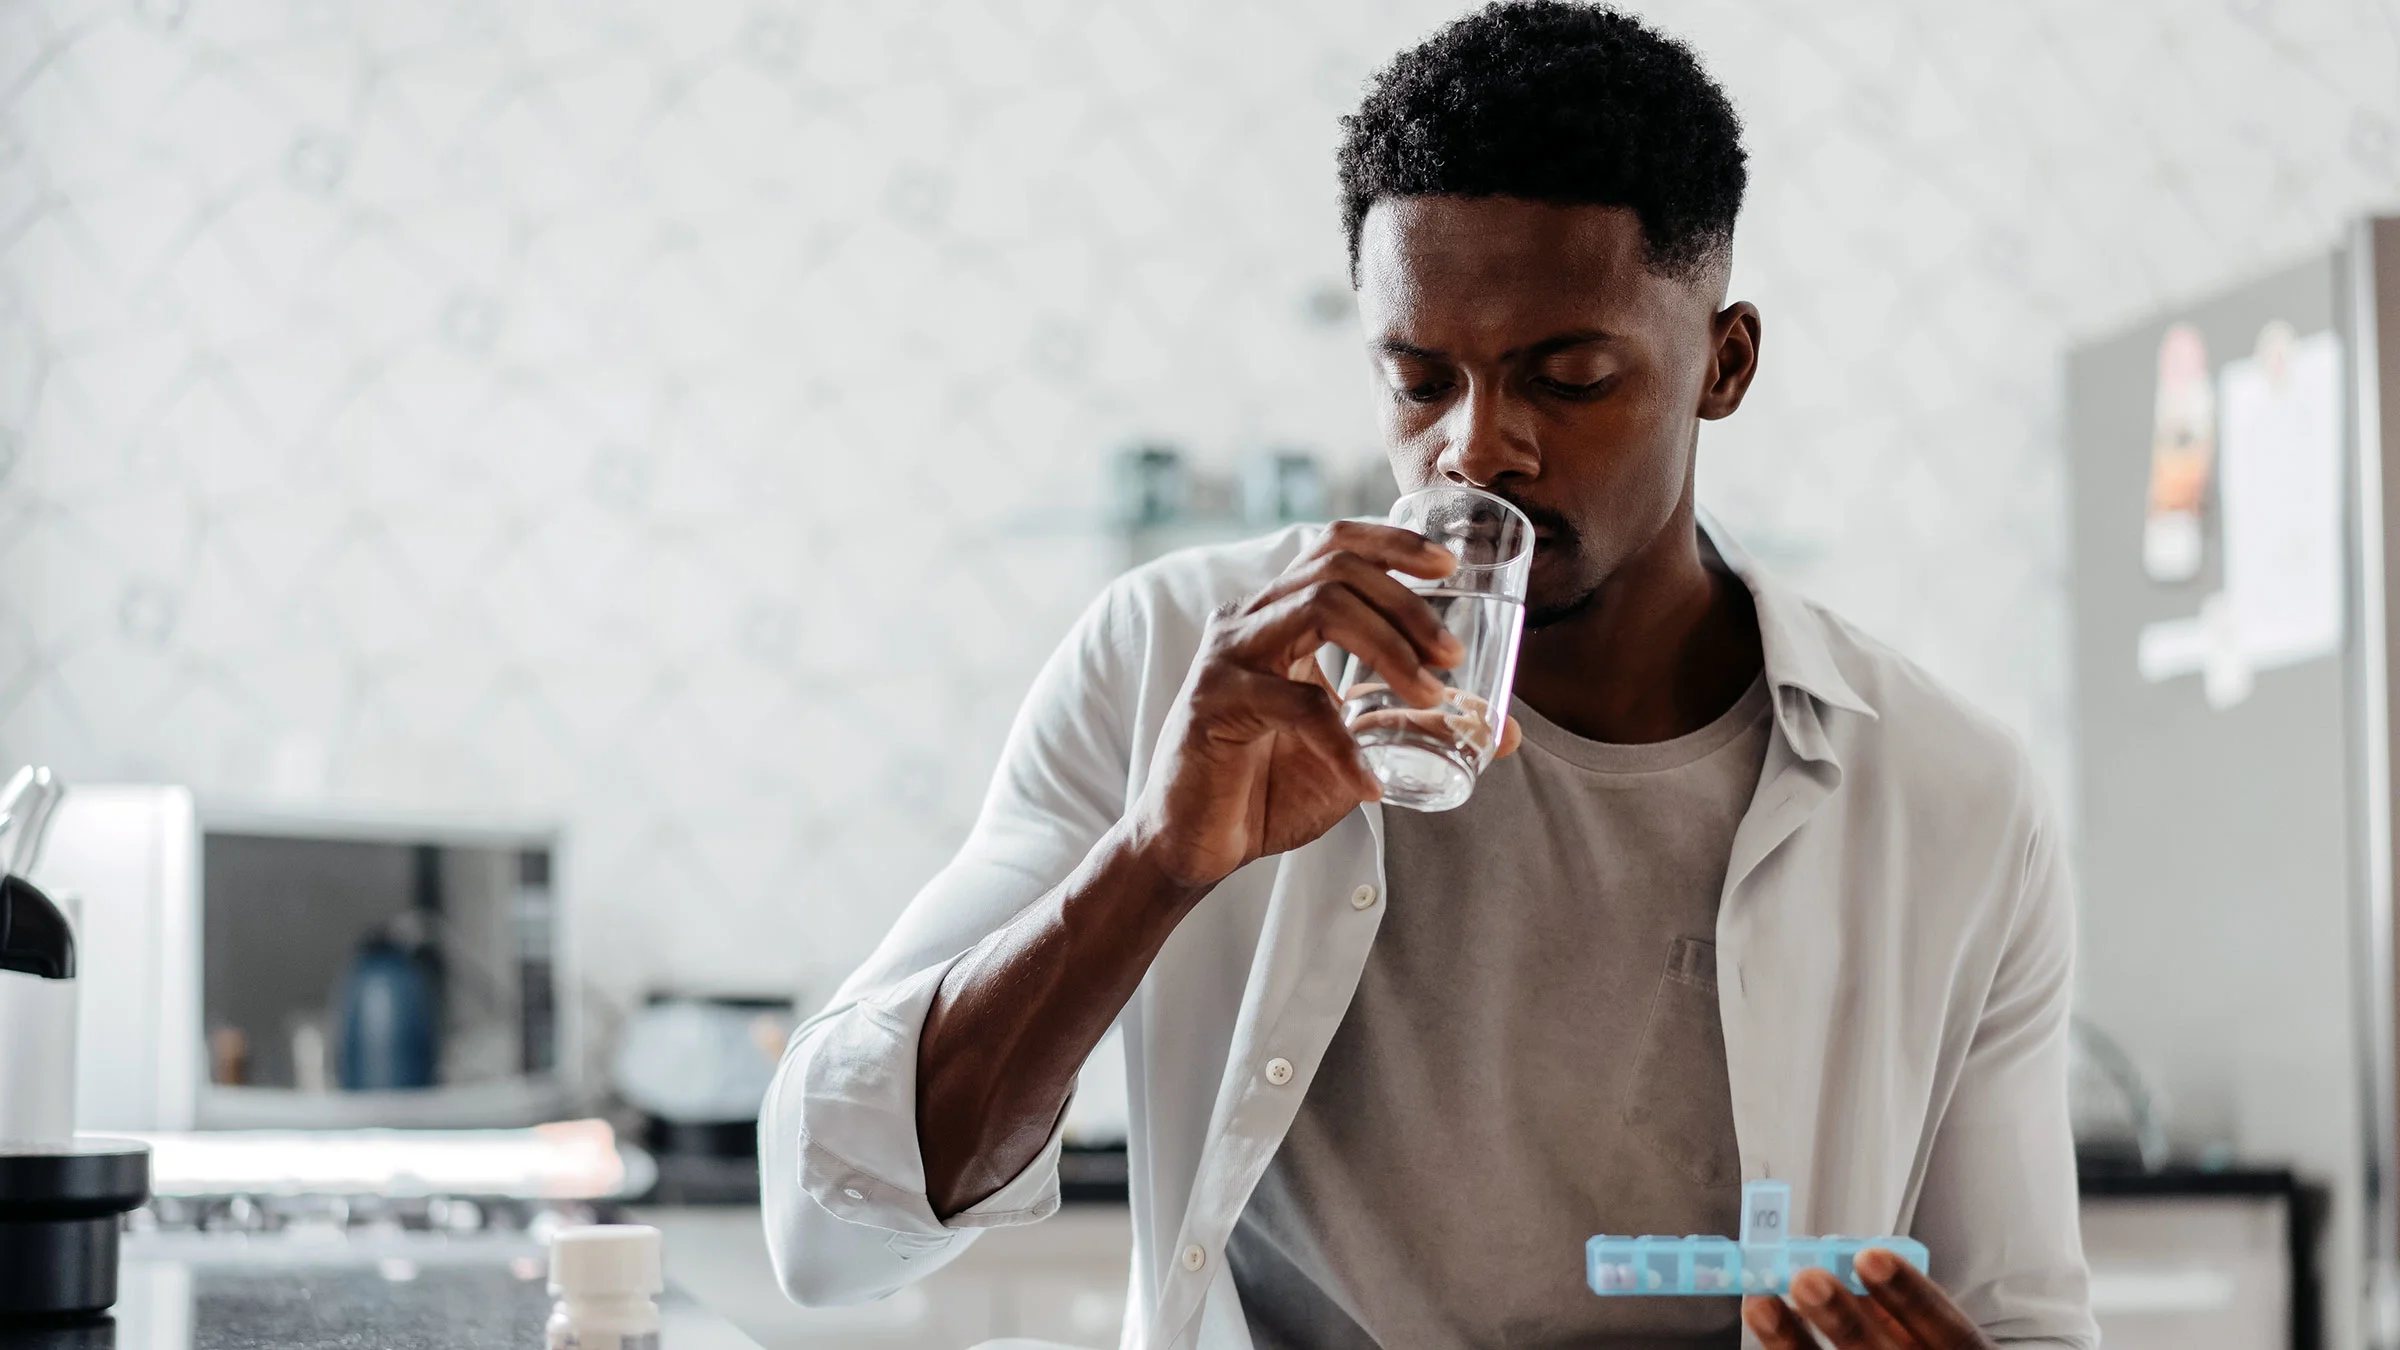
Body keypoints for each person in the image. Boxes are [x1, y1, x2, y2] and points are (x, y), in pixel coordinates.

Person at [760, 4, 2097, 1348]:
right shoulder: (1174, 660)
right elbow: (829, 1226)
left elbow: (2018, 1314)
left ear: (1725, 364)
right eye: (1417, 380)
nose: (1476, 449)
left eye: (1568, 379)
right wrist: (1154, 859)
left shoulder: (1949, 794)